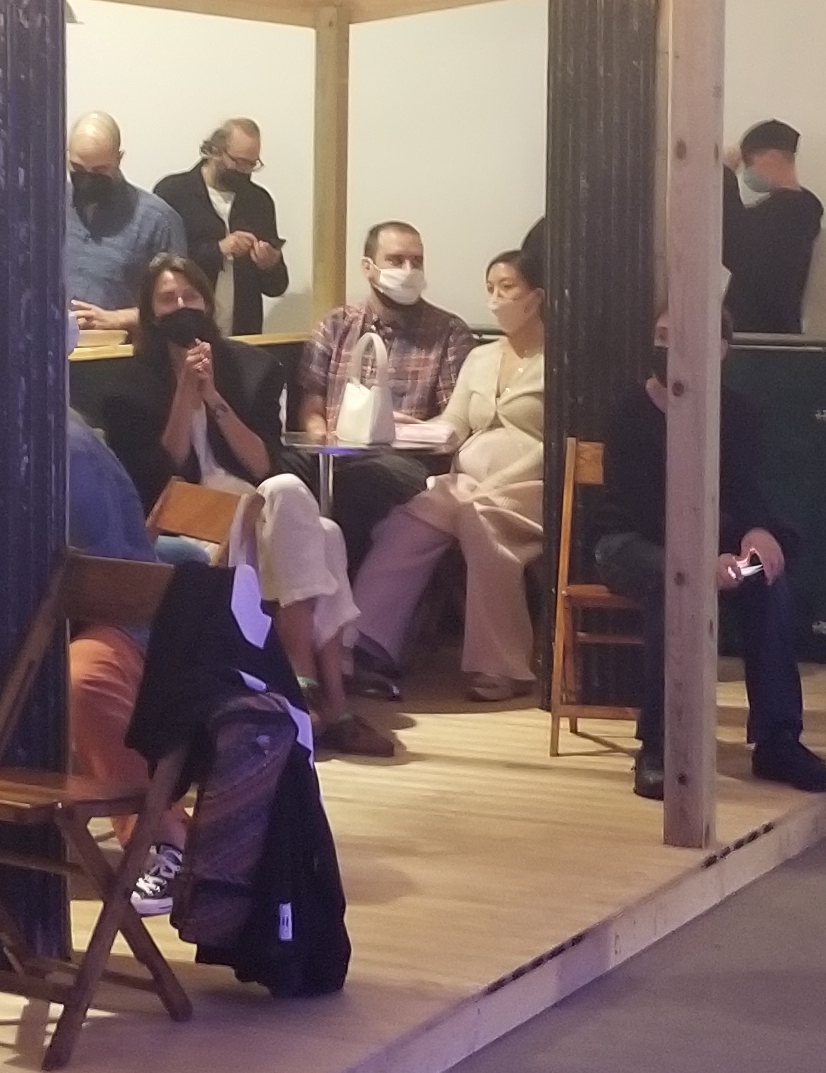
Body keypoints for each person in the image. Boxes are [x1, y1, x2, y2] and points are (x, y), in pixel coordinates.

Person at [102, 257, 396, 757]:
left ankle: (302, 689)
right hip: (186, 514)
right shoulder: (127, 385)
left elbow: (263, 462)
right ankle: (328, 699)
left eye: (189, 297)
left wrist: (214, 396)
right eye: (167, 300)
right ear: (150, 313)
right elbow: (159, 473)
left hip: (253, 505)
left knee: (301, 510)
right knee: (318, 531)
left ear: (207, 303)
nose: (180, 307)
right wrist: (182, 393)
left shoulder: (252, 369)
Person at [586, 312, 826, 800]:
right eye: (660, 337)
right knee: (672, 582)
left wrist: (759, 535)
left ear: (721, 348)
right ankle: (660, 746)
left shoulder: (737, 411)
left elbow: (744, 490)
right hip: (630, 543)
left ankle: (778, 741)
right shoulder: (629, 412)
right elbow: (641, 508)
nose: (667, 348)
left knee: (769, 580)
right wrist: (698, 561)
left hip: (715, 551)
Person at [349, 251, 551, 700]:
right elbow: (456, 423)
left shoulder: (559, 360)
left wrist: (497, 483)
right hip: (467, 482)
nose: (496, 298)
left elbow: (556, 443)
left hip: (531, 489)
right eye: (491, 288)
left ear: (534, 297)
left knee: (481, 518)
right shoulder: (480, 358)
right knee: (410, 519)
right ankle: (365, 644)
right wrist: (402, 425)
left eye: (507, 287)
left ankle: (504, 667)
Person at [293, 220, 476, 588]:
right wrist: (326, 437)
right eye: (395, 260)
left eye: (416, 262)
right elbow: (311, 404)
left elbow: (454, 421)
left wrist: (400, 428)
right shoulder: (334, 325)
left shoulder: (449, 333)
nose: (408, 271)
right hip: (336, 456)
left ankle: (342, 604)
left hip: (410, 463)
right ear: (368, 268)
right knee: (286, 479)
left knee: (362, 486)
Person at [151, 118, 290, 339]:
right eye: (239, 162)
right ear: (215, 151)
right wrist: (219, 249)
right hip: (182, 332)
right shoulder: (174, 192)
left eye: (252, 164)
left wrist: (270, 264)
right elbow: (159, 268)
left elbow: (277, 287)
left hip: (242, 336)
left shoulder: (259, 201)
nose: (245, 171)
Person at [60, 113, 176, 333]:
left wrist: (119, 319)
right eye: (78, 168)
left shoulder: (158, 220)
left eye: (100, 170)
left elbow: (180, 305)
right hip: (53, 356)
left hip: (120, 358)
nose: (87, 177)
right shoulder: (49, 206)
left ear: (118, 158)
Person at [722, 119, 826, 335]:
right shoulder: (796, 206)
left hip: (762, 329)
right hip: (766, 327)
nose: (747, 171)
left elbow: (736, 243)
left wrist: (725, 174)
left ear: (771, 157)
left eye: (749, 162)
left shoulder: (795, 208)